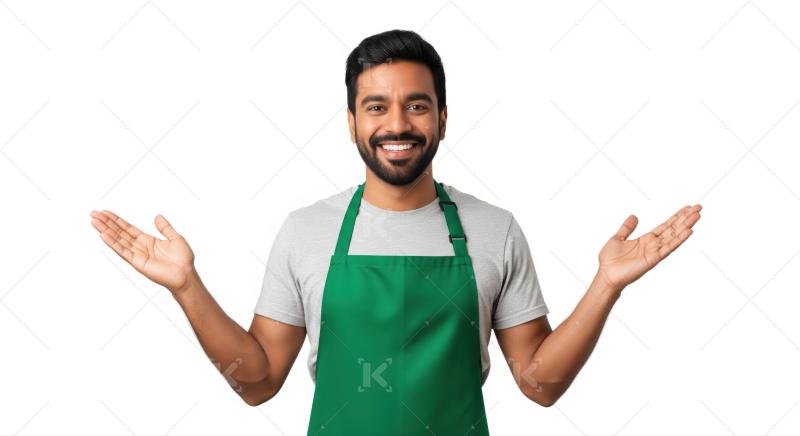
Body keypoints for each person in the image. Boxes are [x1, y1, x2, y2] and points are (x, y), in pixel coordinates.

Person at [90, 29, 702, 436]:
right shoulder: (307, 232)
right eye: (377, 106)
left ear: (441, 117)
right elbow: (257, 383)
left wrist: (605, 285)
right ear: (352, 122)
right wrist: (186, 287)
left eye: (416, 103)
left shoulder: (494, 230)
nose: (398, 122)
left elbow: (539, 384)